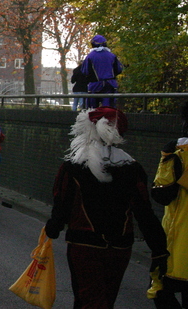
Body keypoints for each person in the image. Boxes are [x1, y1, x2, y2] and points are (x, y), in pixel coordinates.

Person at [45, 107, 169, 308]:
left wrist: (54, 226)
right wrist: (158, 248)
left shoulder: (73, 166)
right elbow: (144, 211)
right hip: (120, 246)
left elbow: (62, 203)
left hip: (84, 245)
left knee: (87, 299)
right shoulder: (132, 168)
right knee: (107, 298)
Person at [148, 102, 188, 308]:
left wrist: (168, 159)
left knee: (160, 290)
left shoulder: (178, 153)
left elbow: (161, 195)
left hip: (180, 243)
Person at [81, 34, 123, 108]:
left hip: (95, 86)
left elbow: (85, 71)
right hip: (110, 85)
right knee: (108, 109)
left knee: (92, 110)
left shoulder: (90, 56)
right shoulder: (112, 56)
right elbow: (119, 69)